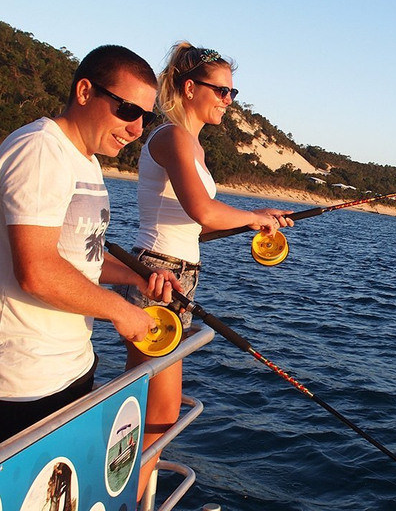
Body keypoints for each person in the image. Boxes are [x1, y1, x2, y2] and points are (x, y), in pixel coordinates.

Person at [0, 45, 180, 469]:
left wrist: (138, 278)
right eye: (128, 110)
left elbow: (78, 257)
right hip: (12, 389)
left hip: (69, 373)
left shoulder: (85, 161)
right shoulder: (40, 151)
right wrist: (121, 313)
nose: (136, 128)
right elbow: (36, 270)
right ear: (85, 91)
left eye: (145, 117)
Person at [116, 41, 293, 498]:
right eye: (221, 91)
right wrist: (253, 216)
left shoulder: (187, 141)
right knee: (157, 410)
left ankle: (133, 496)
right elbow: (201, 208)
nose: (228, 101)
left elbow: (195, 223)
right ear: (190, 87)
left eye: (232, 93)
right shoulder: (172, 135)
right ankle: (131, 499)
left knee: (155, 407)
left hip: (176, 272)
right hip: (158, 276)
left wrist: (257, 218)